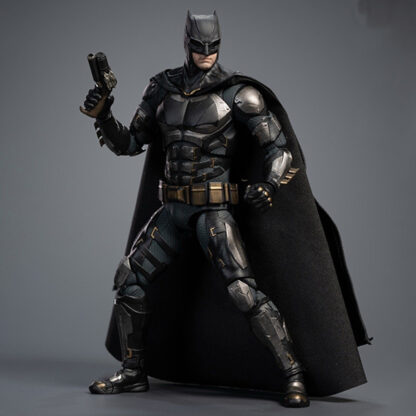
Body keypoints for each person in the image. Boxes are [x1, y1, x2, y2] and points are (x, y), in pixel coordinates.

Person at [81, 11, 370, 409]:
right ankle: (133, 373)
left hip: (213, 213)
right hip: (172, 211)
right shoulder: (161, 88)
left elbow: (279, 149)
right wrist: (103, 115)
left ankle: (293, 374)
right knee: (129, 280)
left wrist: (269, 184)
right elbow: (130, 143)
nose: (206, 53)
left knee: (243, 291)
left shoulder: (240, 94)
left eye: (212, 46)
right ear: (186, 43)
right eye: (199, 46)